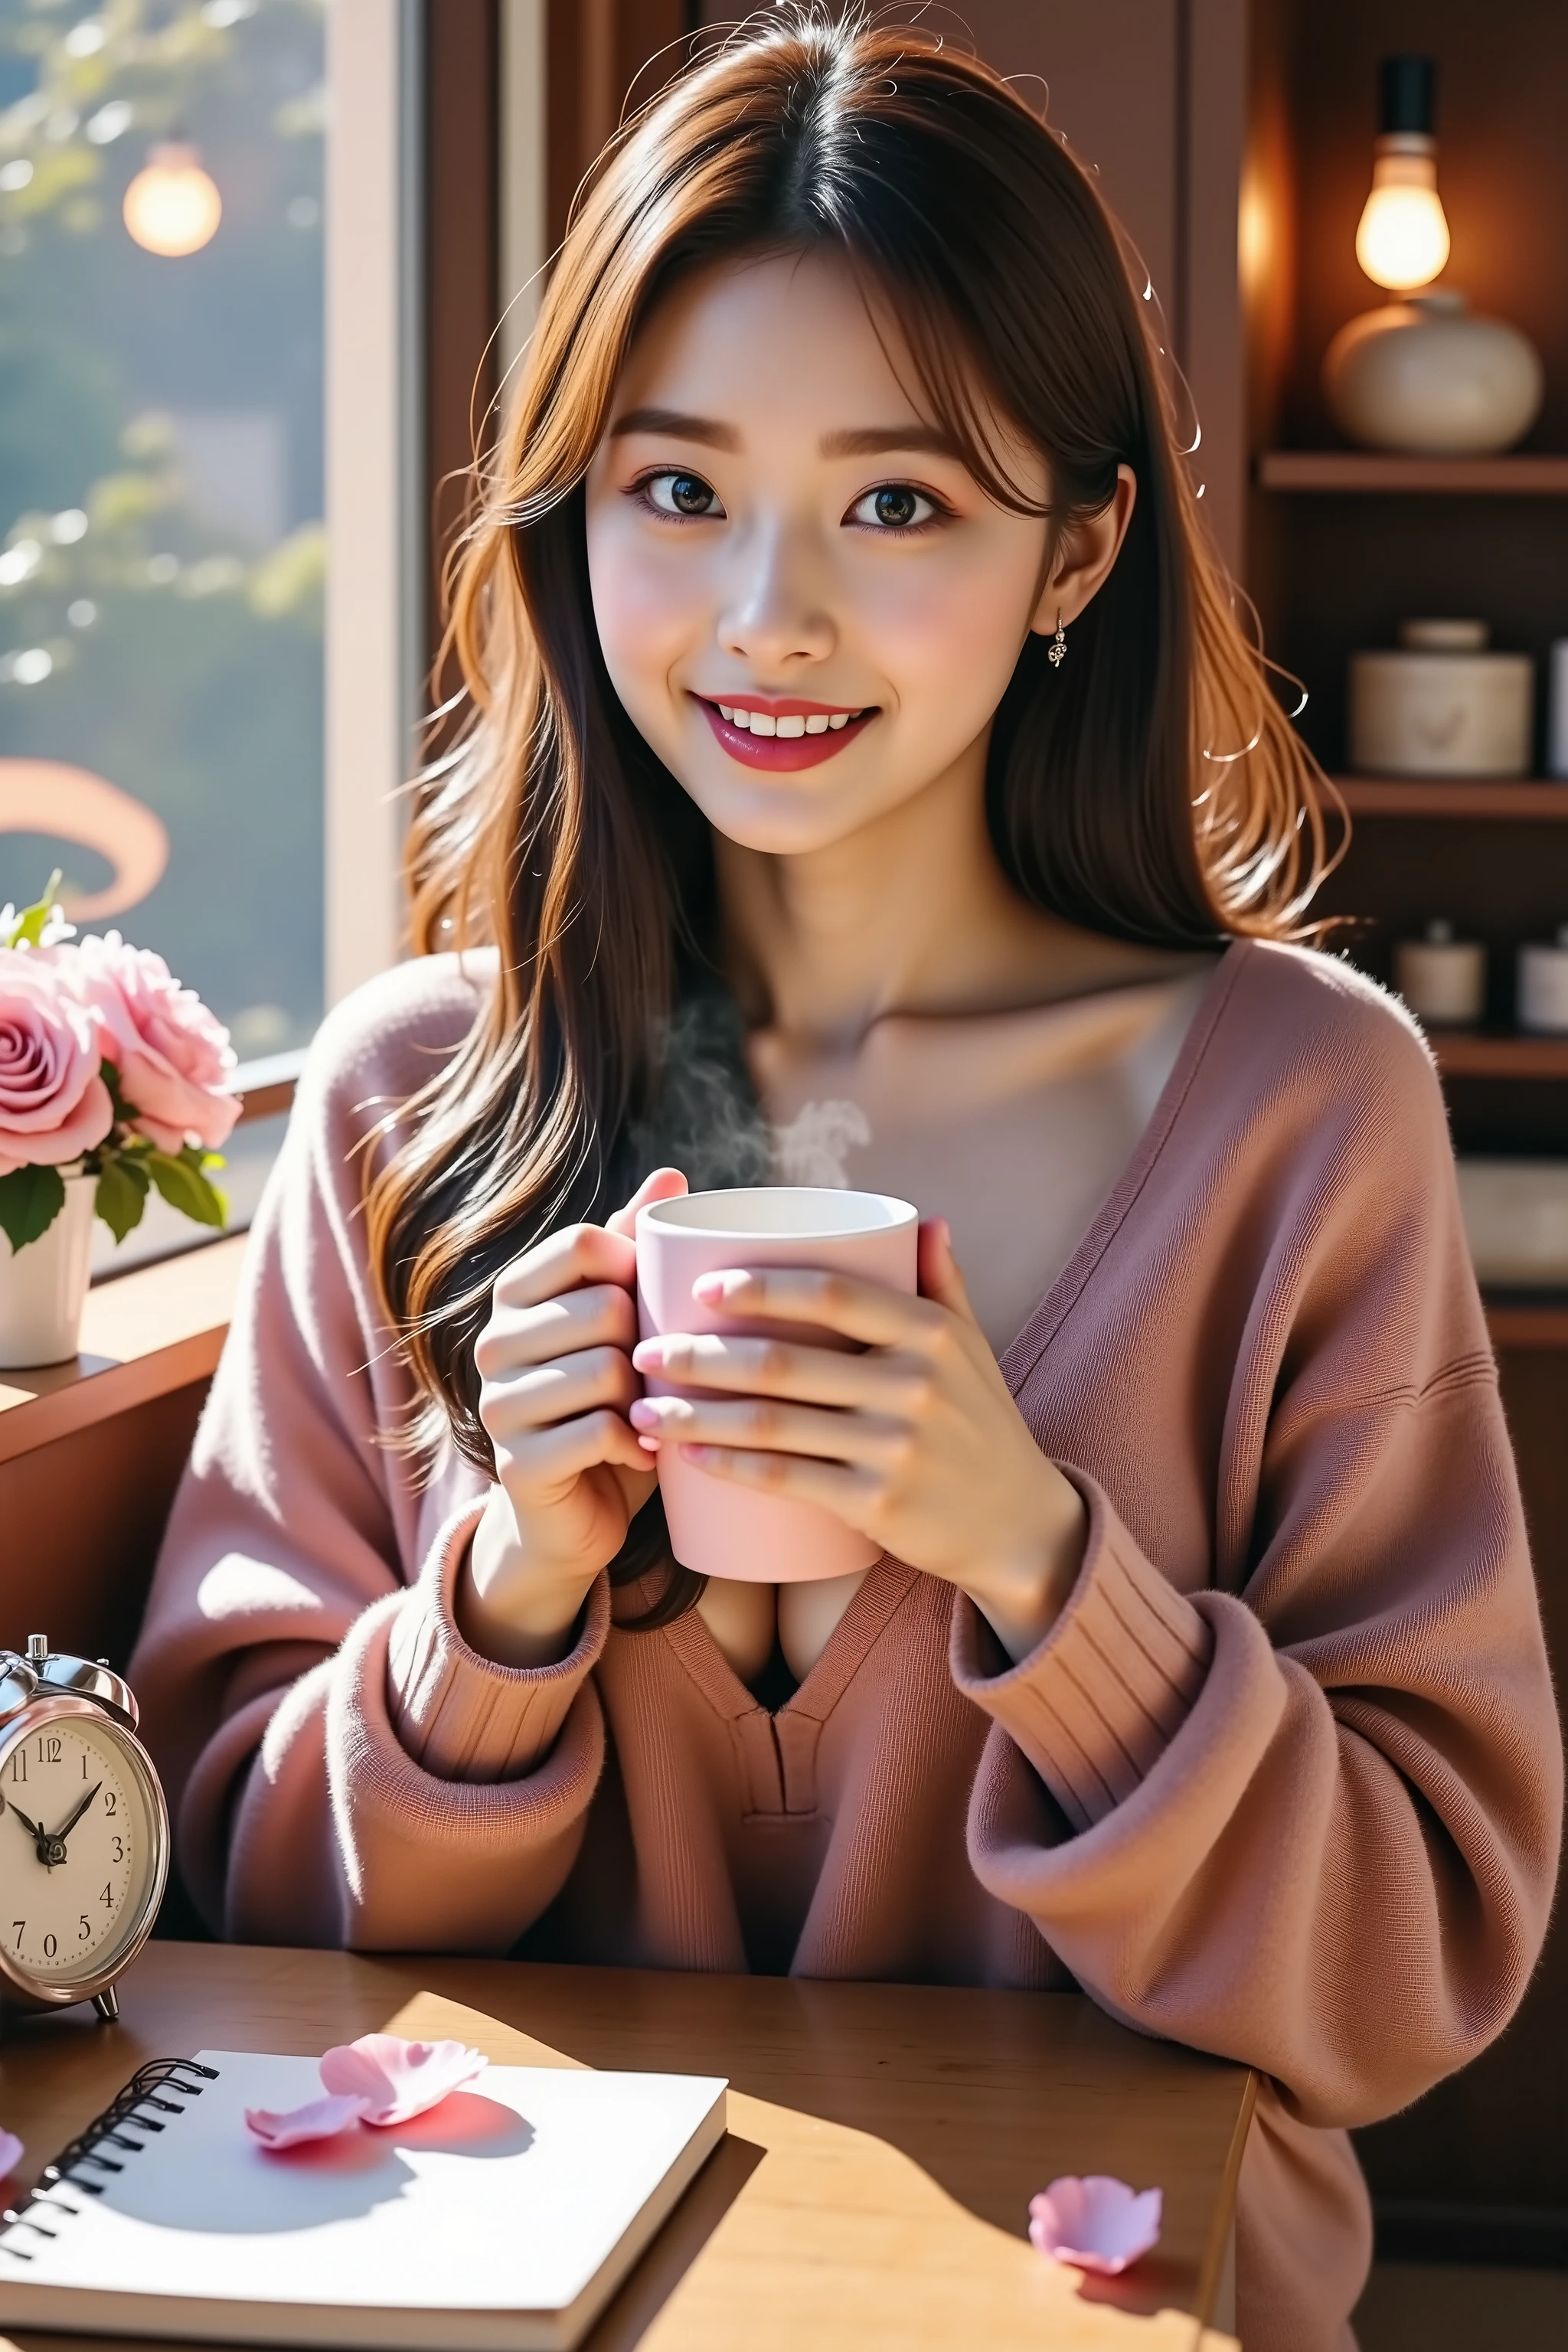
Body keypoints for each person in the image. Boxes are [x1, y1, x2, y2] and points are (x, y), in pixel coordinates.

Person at [130, 15, 1561, 2348]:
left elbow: (1415, 1963)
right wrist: (501, 1598)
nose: (765, 613)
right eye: (676, 492)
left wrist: (1032, 1551)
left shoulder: (1305, 1108)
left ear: (1080, 543)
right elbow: (222, 1905)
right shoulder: (417, 1095)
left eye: (896, 504)